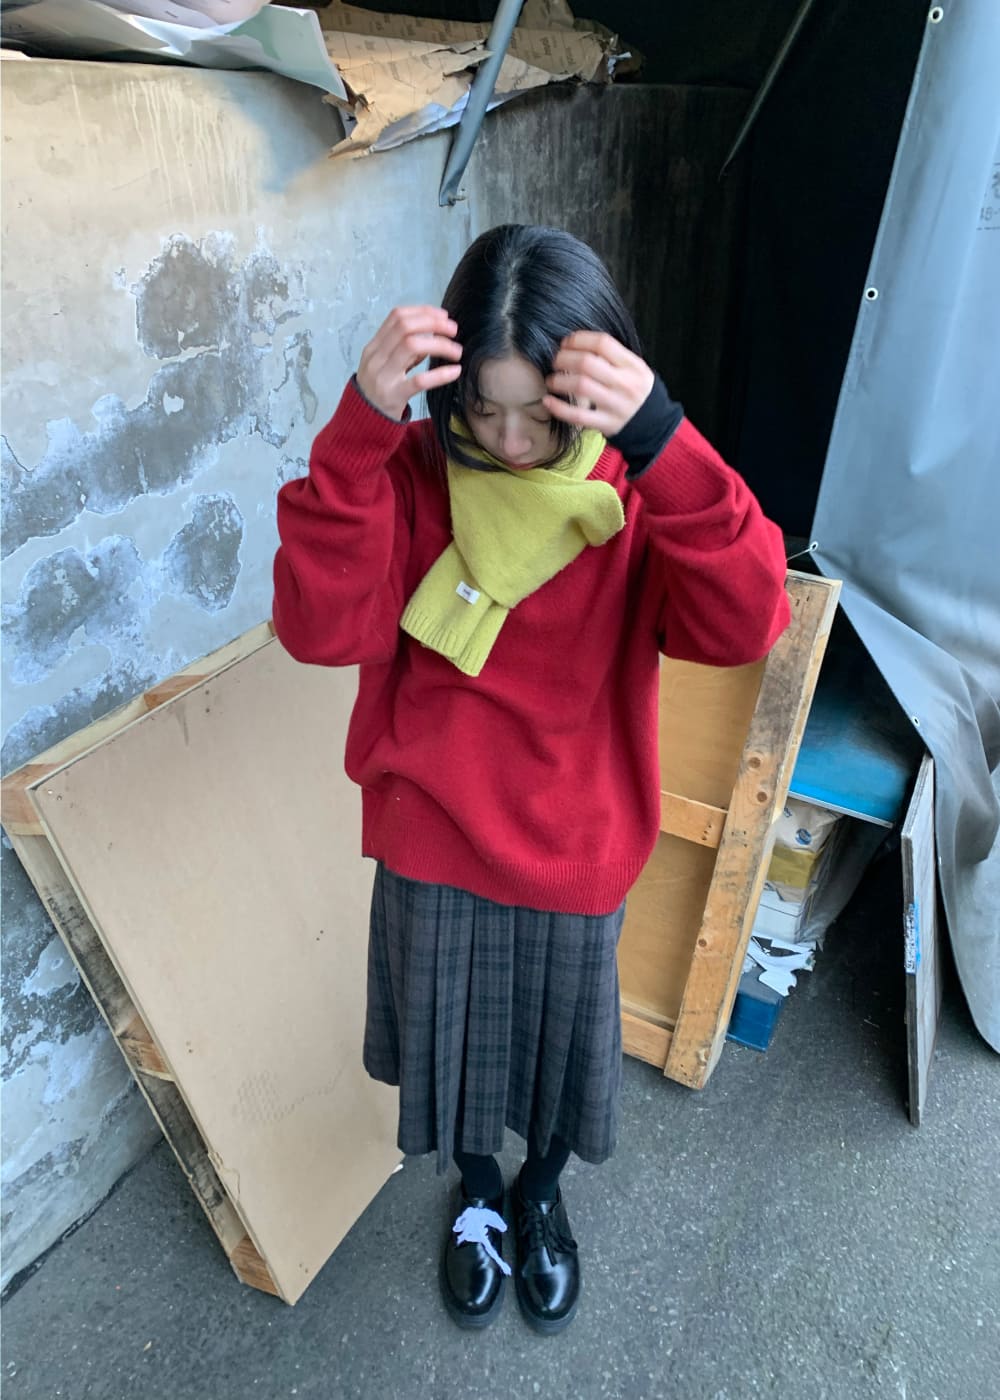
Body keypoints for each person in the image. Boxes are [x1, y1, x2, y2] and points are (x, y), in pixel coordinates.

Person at [272, 224, 790, 1335]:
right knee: (454, 1053)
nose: (508, 442)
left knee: (559, 1062)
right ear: (449, 392)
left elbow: (748, 620)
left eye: (539, 414)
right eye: (481, 410)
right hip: (433, 837)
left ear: (587, 393)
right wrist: (358, 430)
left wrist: (666, 440)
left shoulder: (633, 492)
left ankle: (538, 1197)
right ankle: (478, 1197)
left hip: (574, 845)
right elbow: (318, 629)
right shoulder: (414, 476)